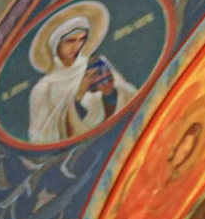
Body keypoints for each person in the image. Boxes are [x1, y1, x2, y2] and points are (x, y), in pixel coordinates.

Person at [27, 10, 134, 143]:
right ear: (56, 44)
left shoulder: (95, 65)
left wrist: (109, 94)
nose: (76, 46)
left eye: (82, 39)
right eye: (70, 41)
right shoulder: (44, 87)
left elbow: (129, 98)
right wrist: (80, 93)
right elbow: (39, 137)